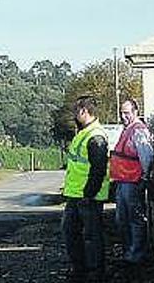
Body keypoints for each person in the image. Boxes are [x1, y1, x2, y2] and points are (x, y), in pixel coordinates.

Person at [62, 96, 110, 281]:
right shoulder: (85, 132)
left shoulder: (95, 136)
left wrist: (89, 194)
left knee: (92, 236)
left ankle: (95, 272)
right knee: (70, 231)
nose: (75, 115)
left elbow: (98, 170)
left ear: (84, 111)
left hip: (87, 196)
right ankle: (80, 269)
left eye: (77, 111)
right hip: (77, 194)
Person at [109, 98, 154, 266]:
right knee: (122, 219)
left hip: (133, 181)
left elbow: (147, 157)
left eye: (126, 112)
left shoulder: (138, 130)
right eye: (122, 112)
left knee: (134, 219)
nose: (123, 116)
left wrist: (145, 177)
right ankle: (129, 251)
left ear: (135, 112)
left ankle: (136, 254)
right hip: (122, 181)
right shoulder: (127, 129)